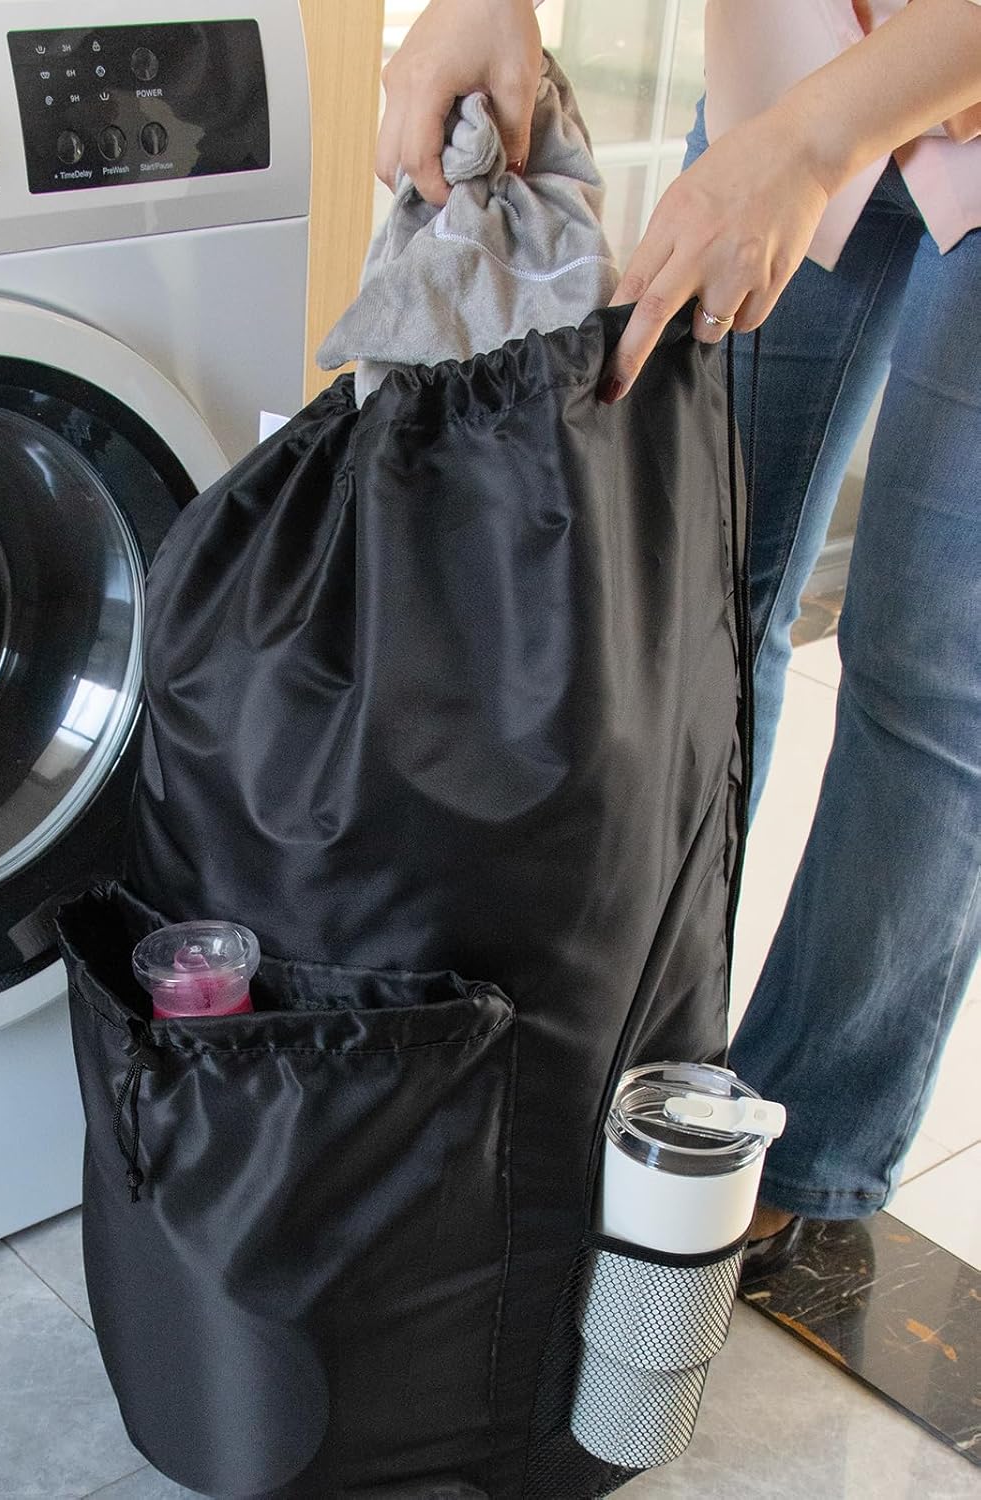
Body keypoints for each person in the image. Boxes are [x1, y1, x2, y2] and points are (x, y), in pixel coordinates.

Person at [377, 0, 981, 1262]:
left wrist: (808, 145)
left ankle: (805, 1144)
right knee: (686, 586)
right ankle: (634, 1059)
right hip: (801, 47)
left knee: (929, 672)